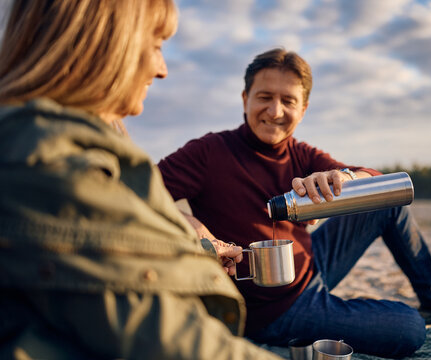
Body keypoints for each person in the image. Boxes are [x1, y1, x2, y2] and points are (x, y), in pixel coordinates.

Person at [158, 48, 431, 359]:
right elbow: (137, 192)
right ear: (245, 98)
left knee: (385, 202)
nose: (275, 111)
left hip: (311, 266)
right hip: (273, 308)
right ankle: (332, 314)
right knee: (409, 328)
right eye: (264, 97)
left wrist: (345, 180)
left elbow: (371, 178)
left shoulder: (302, 154)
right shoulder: (208, 152)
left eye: (288, 101)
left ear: (302, 110)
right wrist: (190, 222)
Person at [0, 1, 283, 359]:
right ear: (104, 42)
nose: (162, 69)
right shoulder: (48, 165)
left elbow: (104, 249)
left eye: (288, 101)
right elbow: (170, 336)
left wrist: (196, 245)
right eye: (156, 46)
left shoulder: (55, 148)